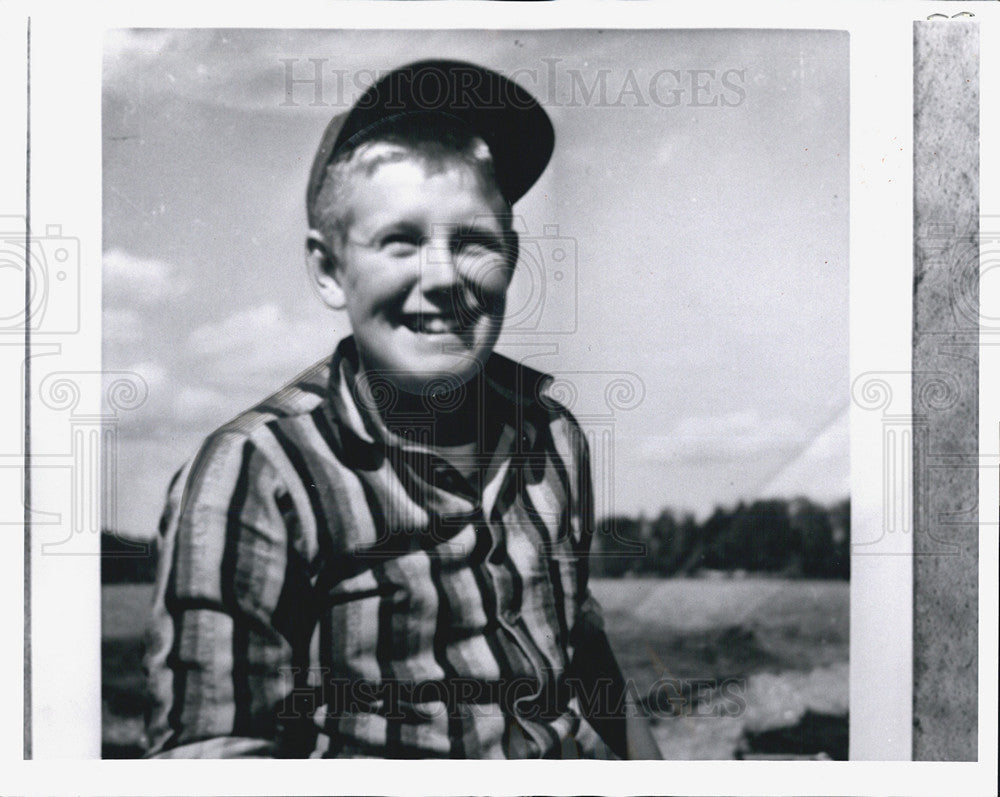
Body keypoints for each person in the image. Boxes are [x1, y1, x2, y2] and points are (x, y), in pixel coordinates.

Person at [144, 59, 662, 759]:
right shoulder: (257, 474)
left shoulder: (553, 435)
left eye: (475, 240)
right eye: (401, 241)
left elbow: (576, 640)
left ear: (511, 256)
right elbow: (215, 752)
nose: (443, 277)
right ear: (330, 270)